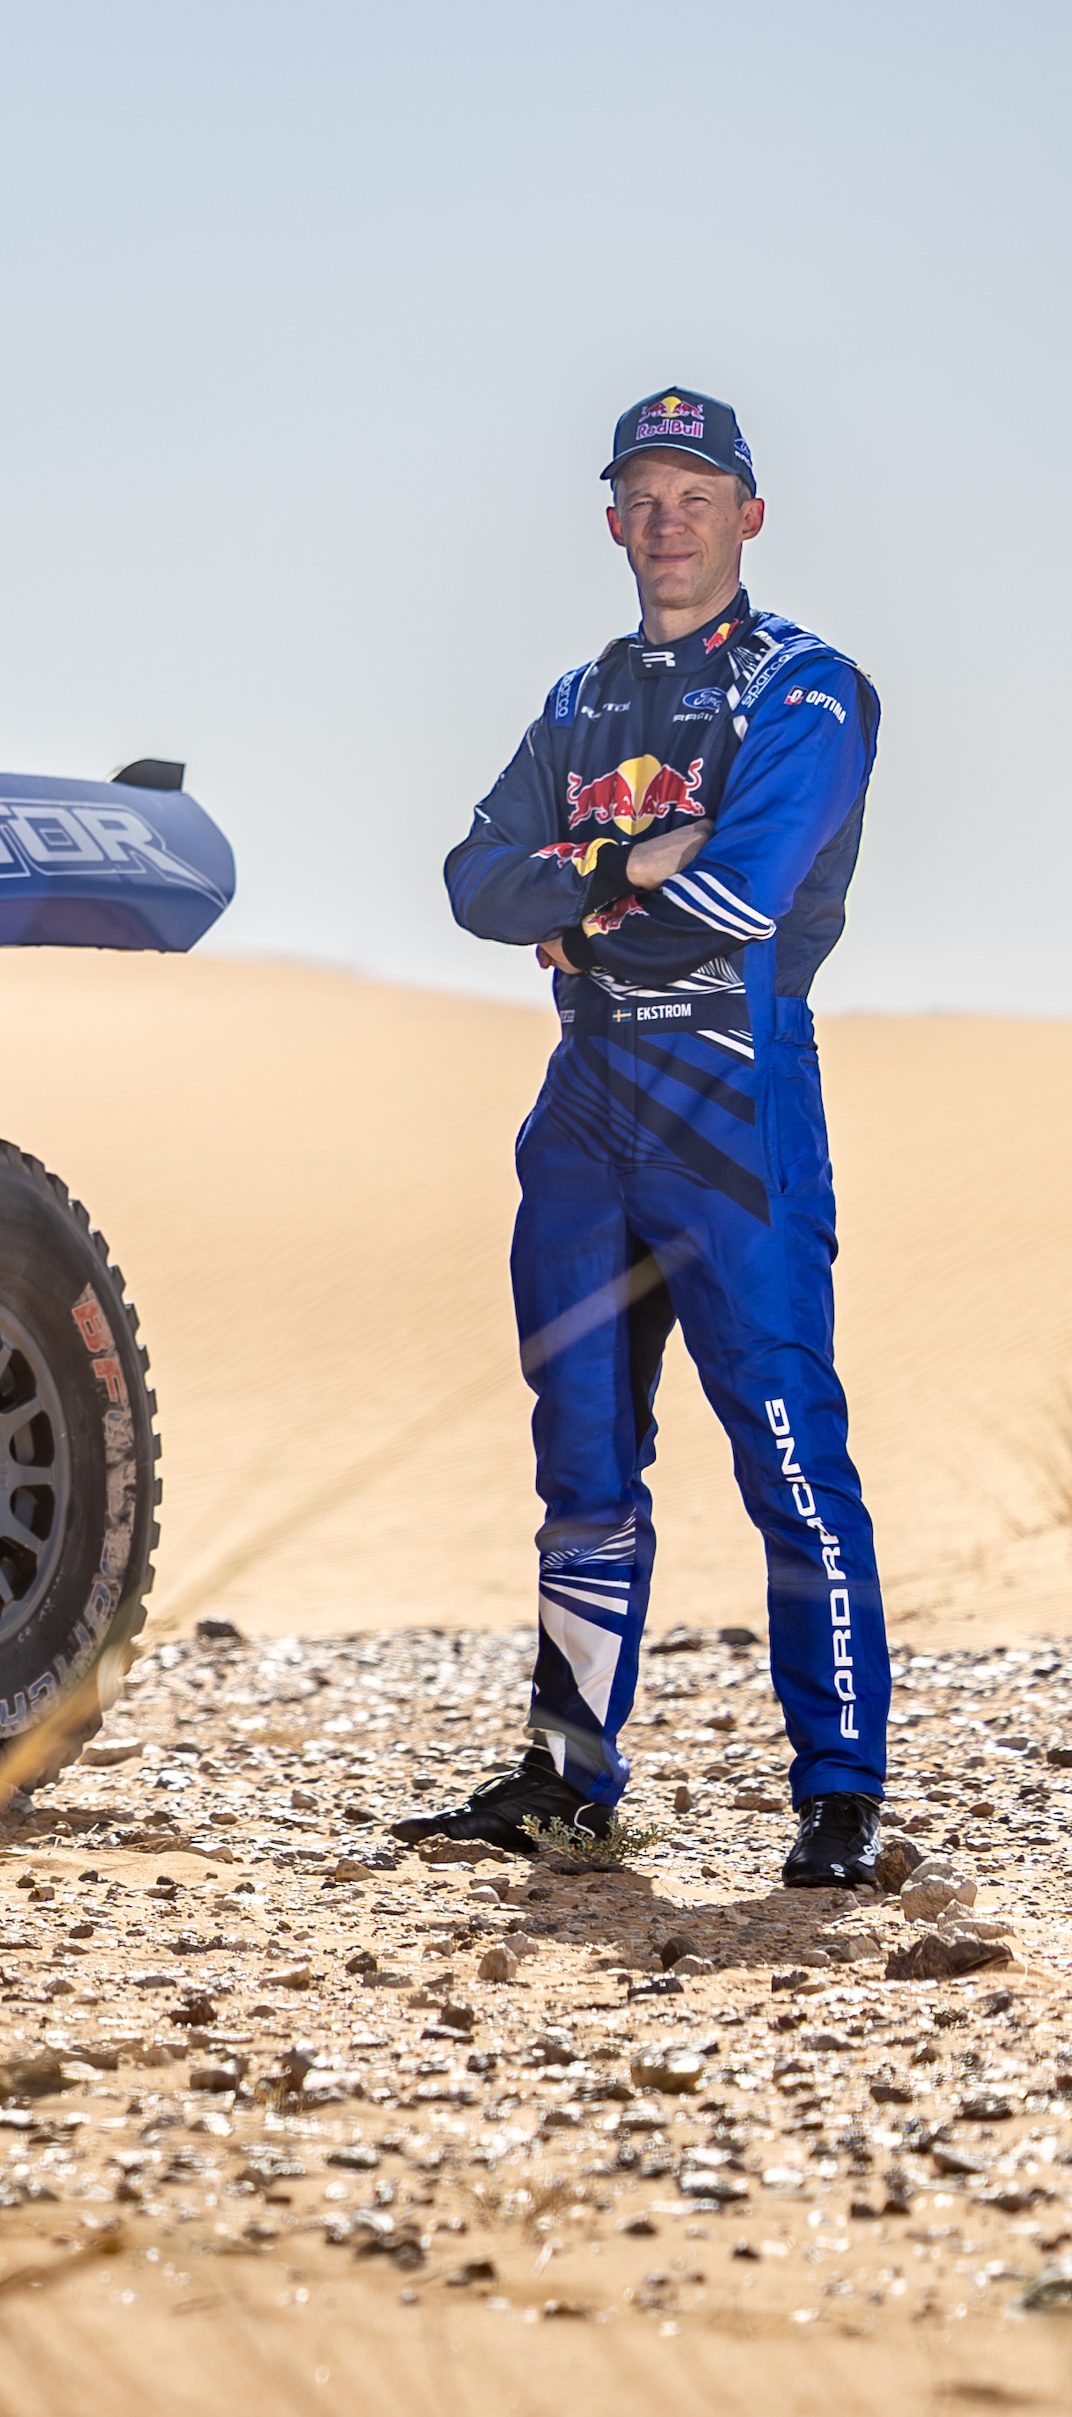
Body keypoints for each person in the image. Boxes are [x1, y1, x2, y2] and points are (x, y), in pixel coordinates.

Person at [405, 387, 889, 1885]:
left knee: (789, 1451)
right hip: (584, 1117)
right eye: (645, 496)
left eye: (700, 493)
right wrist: (618, 860)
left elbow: (742, 895)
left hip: (733, 1109)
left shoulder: (808, 690)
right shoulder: (580, 702)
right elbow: (472, 882)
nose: (670, 519)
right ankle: (569, 1777)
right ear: (613, 522)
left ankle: (840, 1792)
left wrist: (577, 920)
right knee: (582, 1461)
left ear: (751, 515)